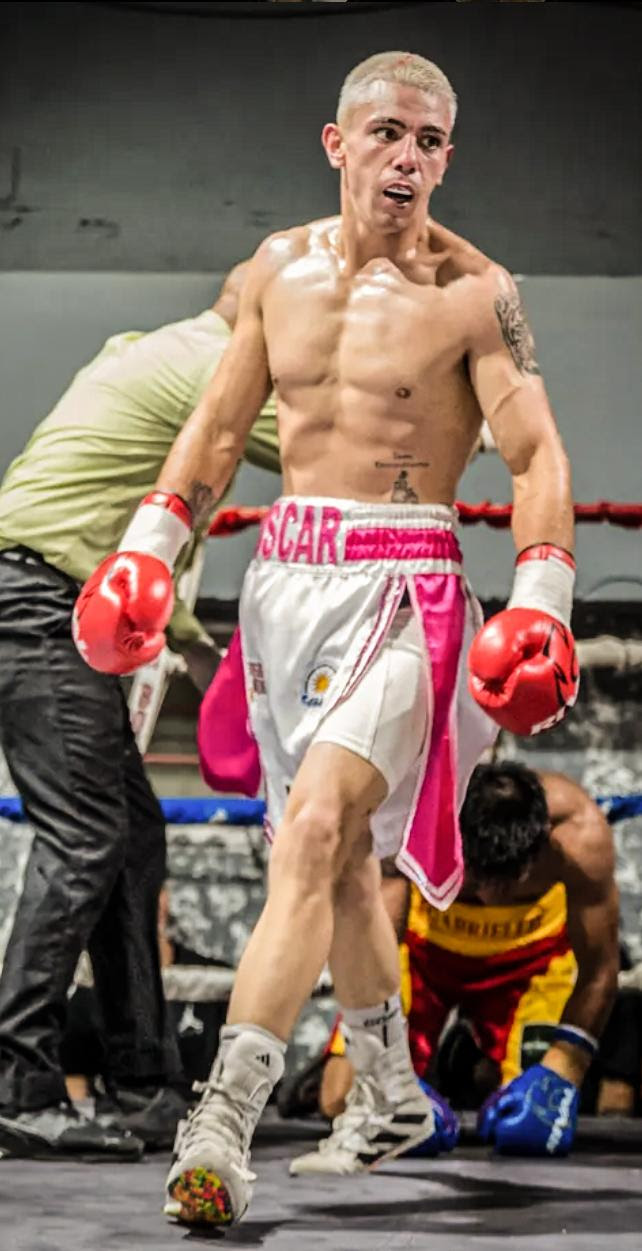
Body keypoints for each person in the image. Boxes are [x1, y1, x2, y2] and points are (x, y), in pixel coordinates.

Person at [73, 50, 579, 1224]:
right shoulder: (276, 270)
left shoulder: (477, 293)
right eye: (388, 133)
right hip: (286, 586)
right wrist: (151, 546)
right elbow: (216, 431)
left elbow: (538, 457)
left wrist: (542, 602)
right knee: (340, 858)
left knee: (309, 832)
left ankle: (221, 1126)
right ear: (337, 143)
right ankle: (392, 1093)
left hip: (408, 589)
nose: (409, 158)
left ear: (447, 158)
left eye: (431, 141)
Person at [0, 264, 279, 1160]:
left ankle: (145, 1083)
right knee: (85, 836)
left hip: (50, 599)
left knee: (131, 834)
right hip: (40, 601)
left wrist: (203, 655)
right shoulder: (217, 366)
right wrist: (459, 408)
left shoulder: (147, 348)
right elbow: (333, 442)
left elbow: (143, 531)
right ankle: (17, 1085)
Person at [316, 763, 619, 1158]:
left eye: (509, 882)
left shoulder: (579, 836)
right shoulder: (409, 822)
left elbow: (599, 969)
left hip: (531, 960)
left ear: (539, 846)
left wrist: (565, 1070)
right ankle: (454, 1064)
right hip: (425, 948)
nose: (491, 898)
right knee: (340, 1096)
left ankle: (469, 1065)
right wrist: (380, 1075)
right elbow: (371, 955)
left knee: (532, 1121)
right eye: (477, 881)